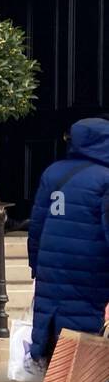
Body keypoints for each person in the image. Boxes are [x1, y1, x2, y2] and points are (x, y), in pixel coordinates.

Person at [26, 116, 109, 366]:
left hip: (52, 273)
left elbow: (37, 226)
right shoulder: (105, 179)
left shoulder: (53, 173)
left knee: (57, 348)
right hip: (91, 277)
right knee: (85, 355)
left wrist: (36, 267)